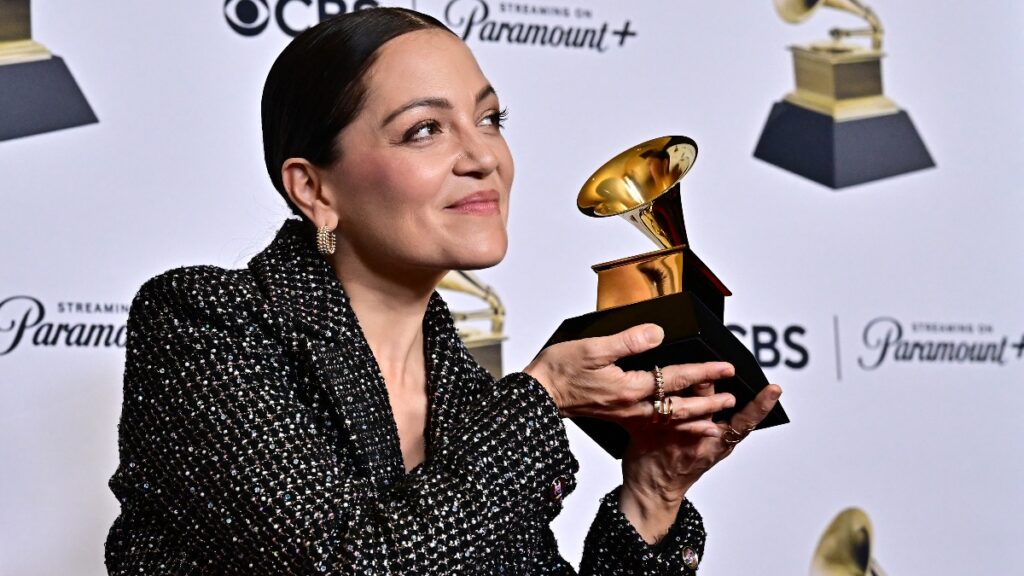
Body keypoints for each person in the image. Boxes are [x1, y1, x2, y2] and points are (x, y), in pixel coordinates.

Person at [104, 7, 782, 575]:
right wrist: (544, 398)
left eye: (491, 120)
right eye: (425, 129)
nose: (482, 156)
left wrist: (652, 492)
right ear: (314, 189)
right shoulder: (206, 321)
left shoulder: (470, 399)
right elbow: (354, 564)